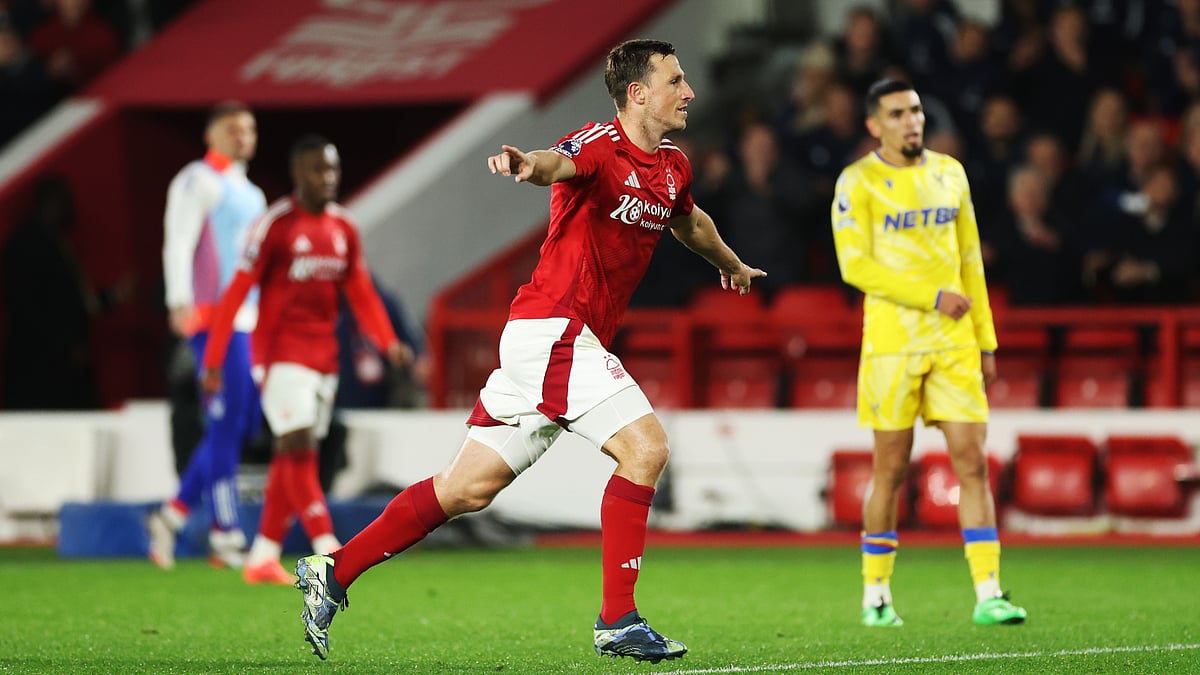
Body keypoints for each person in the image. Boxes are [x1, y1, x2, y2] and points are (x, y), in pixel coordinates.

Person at [292, 38, 766, 663]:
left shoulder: (673, 166)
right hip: (553, 330)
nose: (690, 92)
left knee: (466, 490)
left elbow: (690, 221)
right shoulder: (598, 145)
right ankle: (618, 619)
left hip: (549, 342)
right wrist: (526, 164)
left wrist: (729, 264)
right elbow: (554, 164)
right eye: (675, 81)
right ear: (637, 93)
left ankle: (332, 571)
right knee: (646, 448)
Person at [830, 78, 1027, 628]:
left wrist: (986, 340)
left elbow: (971, 261)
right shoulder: (857, 182)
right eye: (897, 114)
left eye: (915, 111)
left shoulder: (950, 173)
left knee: (972, 463)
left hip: (954, 343)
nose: (911, 121)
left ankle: (989, 593)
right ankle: (876, 596)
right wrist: (931, 296)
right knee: (890, 470)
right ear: (875, 125)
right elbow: (855, 266)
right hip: (893, 347)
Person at [201, 134, 410, 585]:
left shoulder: (343, 228)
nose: (327, 177)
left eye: (332, 168)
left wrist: (387, 340)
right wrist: (214, 358)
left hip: (324, 359)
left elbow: (360, 290)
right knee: (297, 444)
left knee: (294, 454)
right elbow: (236, 290)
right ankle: (327, 544)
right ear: (297, 173)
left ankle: (262, 555)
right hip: (279, 355)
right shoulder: (275, 224)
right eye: (318, 169)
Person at [148, 102, 267, 573]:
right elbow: (177, 240)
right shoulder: (196, 180)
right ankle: (226, 532)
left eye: (249, 129)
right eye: (232, 128)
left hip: (247, 321)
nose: (242, 136)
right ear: (211, 134)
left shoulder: (253, 193)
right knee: (225, 421)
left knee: (237, 423)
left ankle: (172, 515)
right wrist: (178, 300)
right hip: (212, 319)